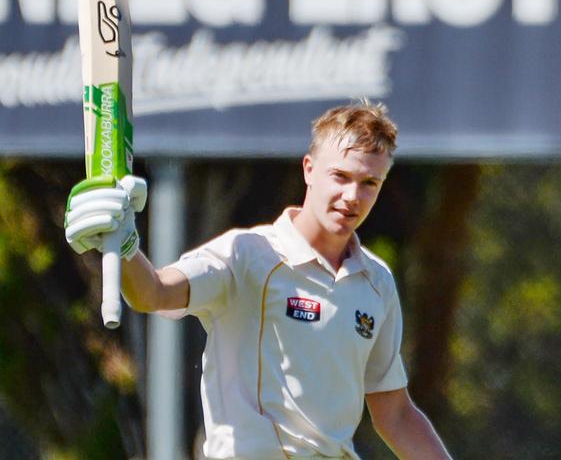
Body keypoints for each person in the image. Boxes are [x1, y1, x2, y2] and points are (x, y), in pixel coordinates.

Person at [64, 101, 453, 460]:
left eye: (370, 183)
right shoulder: (247, 253)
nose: (353, 196)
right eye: (341, 176)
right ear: (309, 169)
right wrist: (126, 246)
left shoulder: (376, 282)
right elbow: (153, 293)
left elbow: (396, 414)